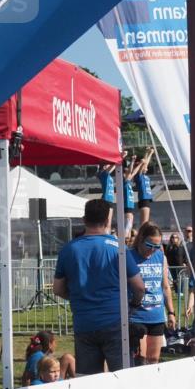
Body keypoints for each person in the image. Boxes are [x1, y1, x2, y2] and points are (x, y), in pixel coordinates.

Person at [53, 199, 144, 375]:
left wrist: (77, 297)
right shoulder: (118, 248)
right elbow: (139, 287)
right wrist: (134, 304)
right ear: (107, 221)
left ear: (84, 219)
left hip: (84, 323)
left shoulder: (68, 249)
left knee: (88, 381)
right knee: (123, 378)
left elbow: (57, 289)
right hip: (115, 322)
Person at [128, 222, 175, 366]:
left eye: (157, 246)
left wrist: (171, 312)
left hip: (156, 316)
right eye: (150, 245)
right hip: (136, 316)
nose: (153, 250)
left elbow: (165, 286)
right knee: (140, 361)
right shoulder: (128, 256)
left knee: (153, 361)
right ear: (141, 239)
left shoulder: (160, 257)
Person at [131, 146, 155, 227]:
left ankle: (143, 233)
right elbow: (144, 164)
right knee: (144, 222)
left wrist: (150, 153)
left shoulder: (144, 176)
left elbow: (145, 163)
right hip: (143, 199)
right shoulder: (139, 176)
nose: (146, 167)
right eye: (144, 167)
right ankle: (142, 234)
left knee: (145, 222)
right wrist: (146, 153)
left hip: (146, 200)